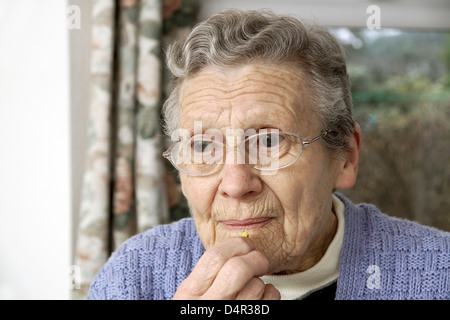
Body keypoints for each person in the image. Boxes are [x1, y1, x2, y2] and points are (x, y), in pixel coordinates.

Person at [87, 9, 450, 300]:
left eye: (270, 142)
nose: (235, 183)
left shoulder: (439, 274)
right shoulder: (133, 276)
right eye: (201, 145)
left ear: (345, 156)